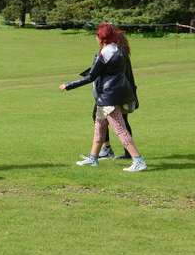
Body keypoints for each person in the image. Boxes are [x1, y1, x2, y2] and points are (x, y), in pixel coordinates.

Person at [60, 23, 146, 172]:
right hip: (108, 96)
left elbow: (92, 76)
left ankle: (138, 161)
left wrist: (69, 85)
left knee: (120, 130)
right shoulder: (119, 49)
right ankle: (93, 158)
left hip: (109, 98)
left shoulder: (105, 52)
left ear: (101, 38)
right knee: (99, 128)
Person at [95, 27, 135, 160]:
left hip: (113, 94)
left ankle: (135, 157)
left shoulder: (115, 53)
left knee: (118, 126)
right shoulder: (120, 52)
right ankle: (96, 154)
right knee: (108, 121)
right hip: (121, 92)